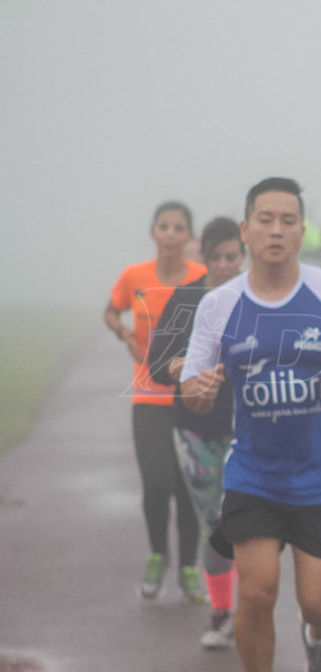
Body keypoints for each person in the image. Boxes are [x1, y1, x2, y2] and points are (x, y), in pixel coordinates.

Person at [180, 178, 321, 672]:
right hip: (253, 473)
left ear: (301, 231)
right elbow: (190, 380)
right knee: (255, 592)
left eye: (288, 221)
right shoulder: (219, 304)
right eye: (265, 221)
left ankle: (317, 639)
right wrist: (199, 390)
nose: (276, 230)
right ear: (247, 230)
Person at [148, 217, 246, 649]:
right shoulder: (186, 299)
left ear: (242, 256)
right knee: (217, 526)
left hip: (248, 432)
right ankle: (222, 610)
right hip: (195, 431)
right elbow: (157, 361)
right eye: (217, 257)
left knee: (245, 521)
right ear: (202, 258)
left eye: (232, 256)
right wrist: (182, 369)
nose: (224, 264)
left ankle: (246, 608)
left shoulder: (257, 299)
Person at [103, 201, 206, 601]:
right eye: (163, 226)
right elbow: (111, 312)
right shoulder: (134, 276)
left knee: (187, 488)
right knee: (156, 483)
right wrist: (124, 333)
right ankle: (157, 555)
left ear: (188, 236)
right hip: (147, 394)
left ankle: (189, 568)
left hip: (190, 396)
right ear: (152, 232)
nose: (170, 234)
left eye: (178, 227)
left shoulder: (202, 279)